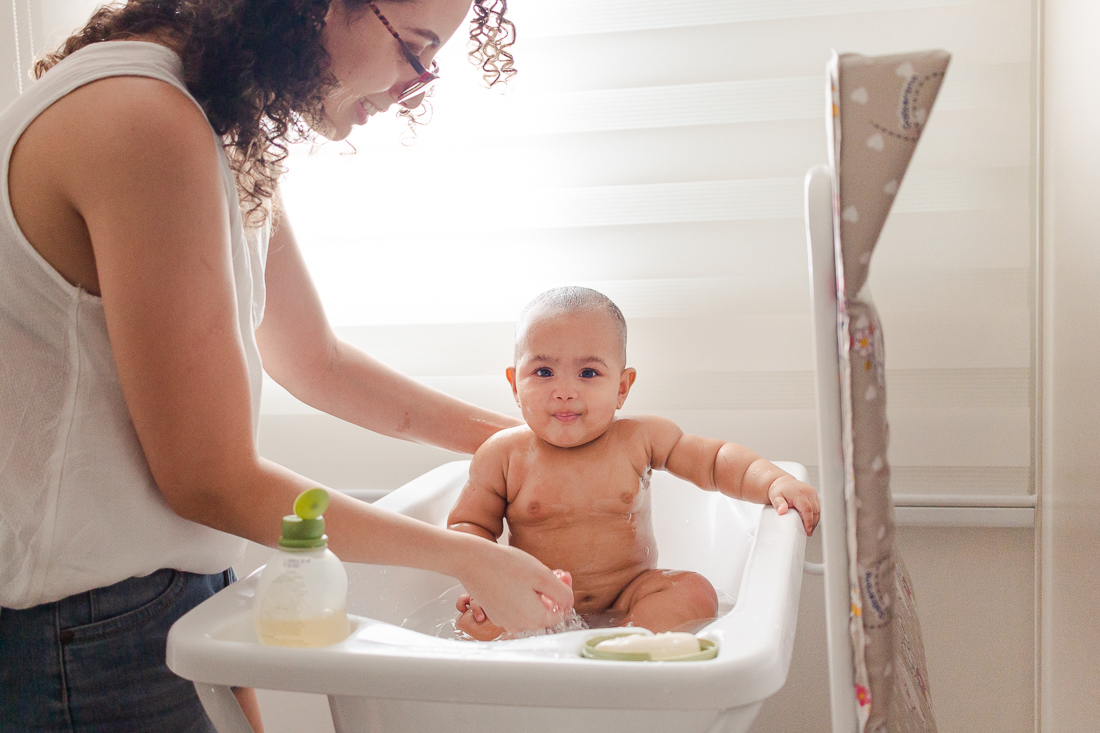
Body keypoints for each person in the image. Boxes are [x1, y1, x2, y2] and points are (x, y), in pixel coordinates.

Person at [0, 1, 574, 731]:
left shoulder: (212, 119)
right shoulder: (142, 120)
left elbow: (317, 362)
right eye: (416, 50)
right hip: (82, 633)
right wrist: (467, 559)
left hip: (161, 594)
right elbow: (209, 478)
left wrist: (528, 444)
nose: (416, 85)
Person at [447, 287, 821, 641]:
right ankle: (580, 653)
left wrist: (772, 481)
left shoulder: (640, 439)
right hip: (535, 599)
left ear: (622, 388)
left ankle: (629, 640)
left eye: (588, 373)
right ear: (515, 384)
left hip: (631, 594)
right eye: (543, 372)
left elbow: (715, 461)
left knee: (692, 590)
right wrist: (489, 583)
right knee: (475, 622)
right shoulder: (503, 455)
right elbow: (468, 526)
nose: (564, 390)